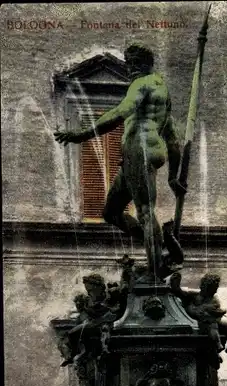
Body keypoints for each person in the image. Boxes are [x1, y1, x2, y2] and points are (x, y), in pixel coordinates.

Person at [54, 43, 186, 280]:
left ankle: (154, 275)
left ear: (147, 65)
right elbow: (173, 140)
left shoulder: (141, 84)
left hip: (140, 150)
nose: (130, 69)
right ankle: (158, 243)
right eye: (128, 64)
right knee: (110, 212)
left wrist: (82, 134)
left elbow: (119, 112)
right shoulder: (161, 93)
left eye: (135, 64)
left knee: (145, 212)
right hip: (141, 154)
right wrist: (173, 176)